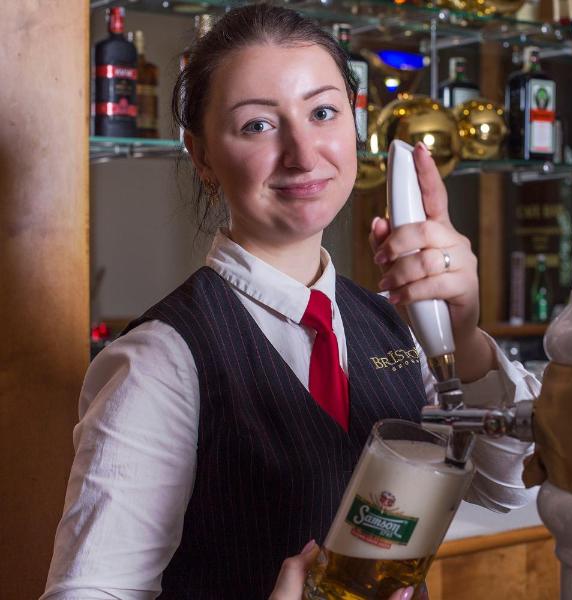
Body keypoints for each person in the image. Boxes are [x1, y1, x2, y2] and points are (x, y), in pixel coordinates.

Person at [42, 4, 539, 599]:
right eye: (257, 125)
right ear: (201, 155)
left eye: (323, 112)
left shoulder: (393, 324)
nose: (303, 153)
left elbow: (510, 484)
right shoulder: (162, 360)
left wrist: (464, 337)